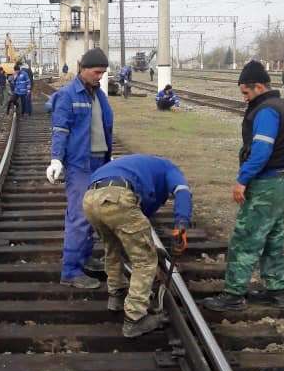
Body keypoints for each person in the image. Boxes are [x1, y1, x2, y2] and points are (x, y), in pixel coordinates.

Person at [204, 60, 284, 312]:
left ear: (258, 87)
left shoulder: (266, 111)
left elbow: (261, 151)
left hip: (265, 184)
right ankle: (276, 291)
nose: (244, 98)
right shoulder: (282, 107)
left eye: (246, 93)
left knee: (246, 238)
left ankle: (233, 295)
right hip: (281, 181)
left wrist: (242, 180)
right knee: (273, 239)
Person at [83, 154, 192, 337]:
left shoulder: (140, 167)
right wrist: (181, 225)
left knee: (112, 249)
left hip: (90, 199)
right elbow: (183, 191)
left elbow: (136, 220)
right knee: (145, 260)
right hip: (118, 196)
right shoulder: (171, 169)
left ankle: (117, 295)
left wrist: (143, 240)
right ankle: (135, 319)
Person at [46, 47, 114, 289]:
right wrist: (56, 159)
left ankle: (85, 258)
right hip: (80, 164)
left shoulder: (98, 95)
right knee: (79, 217)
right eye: (96, 72)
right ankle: (71, 271)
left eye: (103, 73)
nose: (100, 76)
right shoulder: (68, 95)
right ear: (82, 69)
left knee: (94, 215)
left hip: (100, 163)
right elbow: (60, 129)